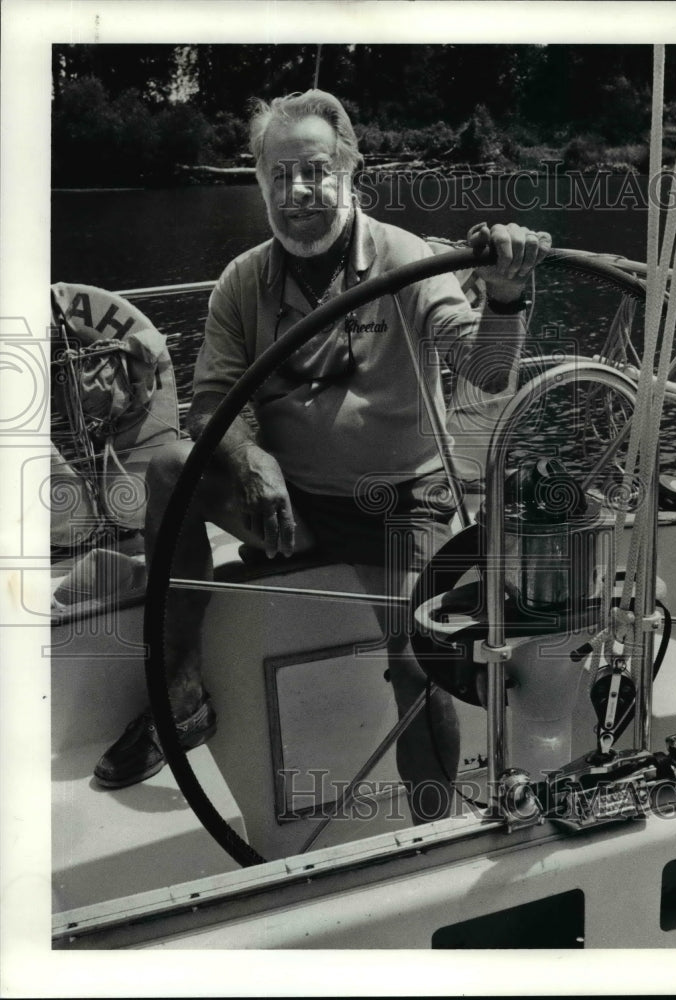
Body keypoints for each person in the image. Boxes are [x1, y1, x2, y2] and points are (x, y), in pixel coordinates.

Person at [94, 90, 551, 825]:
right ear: (260, 184)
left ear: (348, 171)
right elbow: (212, 405)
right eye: (279, 175)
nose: (296, 192)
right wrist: (248, 459)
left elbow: (486, 373)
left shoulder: (408, 260)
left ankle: (431, 832)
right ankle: (178, 699)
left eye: (312, 171)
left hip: (406, 505)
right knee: (173, 468)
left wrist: (505, 297)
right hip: (295, 509)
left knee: (420, 664)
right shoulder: (243, 282)